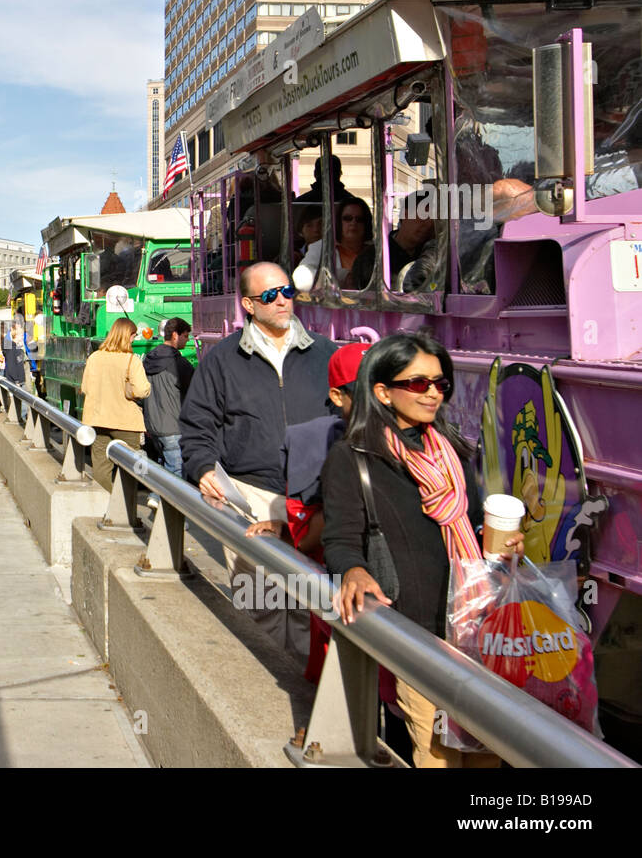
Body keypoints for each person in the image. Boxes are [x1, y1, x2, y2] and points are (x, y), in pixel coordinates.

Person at [324, 332, 523, 768]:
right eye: (418, 383)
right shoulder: (354, 457)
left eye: (440, 383)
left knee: (489, 759)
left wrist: (506, 549)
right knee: (439, 761)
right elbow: (339, 540)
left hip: (478, 632)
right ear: (383, 392)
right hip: (420, 637)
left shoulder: (452, 451)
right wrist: (353, 571)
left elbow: (468, 526)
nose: (433, 392)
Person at [179, 262, 337, 657]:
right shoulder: (224, 360)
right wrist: (201, 468)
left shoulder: (325, 354)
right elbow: (198, 422)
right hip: (250, 496)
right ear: (249, 304)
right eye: (270, 295)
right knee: (260, 606)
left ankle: (304, 701)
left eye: (287, 292)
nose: (282, 300)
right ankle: (268, 692)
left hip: (312, 500)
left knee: (308, 608)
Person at [246, 341, 371, 683]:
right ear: (337, 395)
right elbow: (309, 538)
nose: (381, 397)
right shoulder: (318, 445)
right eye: (366, 389)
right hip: (344, 598)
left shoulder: (431, 446)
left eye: (388, 383)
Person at [80, 318, 151, 496]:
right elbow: (142, 390)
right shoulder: (131, 360)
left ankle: (104, 505)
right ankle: (125, 510)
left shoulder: (94, 357)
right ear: (127, 336)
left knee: (101, 468)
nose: (134, 340)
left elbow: (85, 388)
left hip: (97, 420)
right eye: (133, 336)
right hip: (126, 422)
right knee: (129, 470)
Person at [141, 316, 194, 506]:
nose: (187, 340)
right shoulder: (179, 364)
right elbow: (195, 393)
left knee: (165, 466)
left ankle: (155, 497)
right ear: (174, 335)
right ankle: (172, 512)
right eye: (185, 336)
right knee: (177, 472)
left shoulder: (148, 359)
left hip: (153, 424)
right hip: (173, 425)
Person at [296, 195, 372, 289]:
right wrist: (342, 276)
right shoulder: (321, 248)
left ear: (367, 223)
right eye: (347, 218)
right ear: (338, 222)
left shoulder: (378, 251)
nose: (353, 223)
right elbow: (301, 277)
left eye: (360, 219)